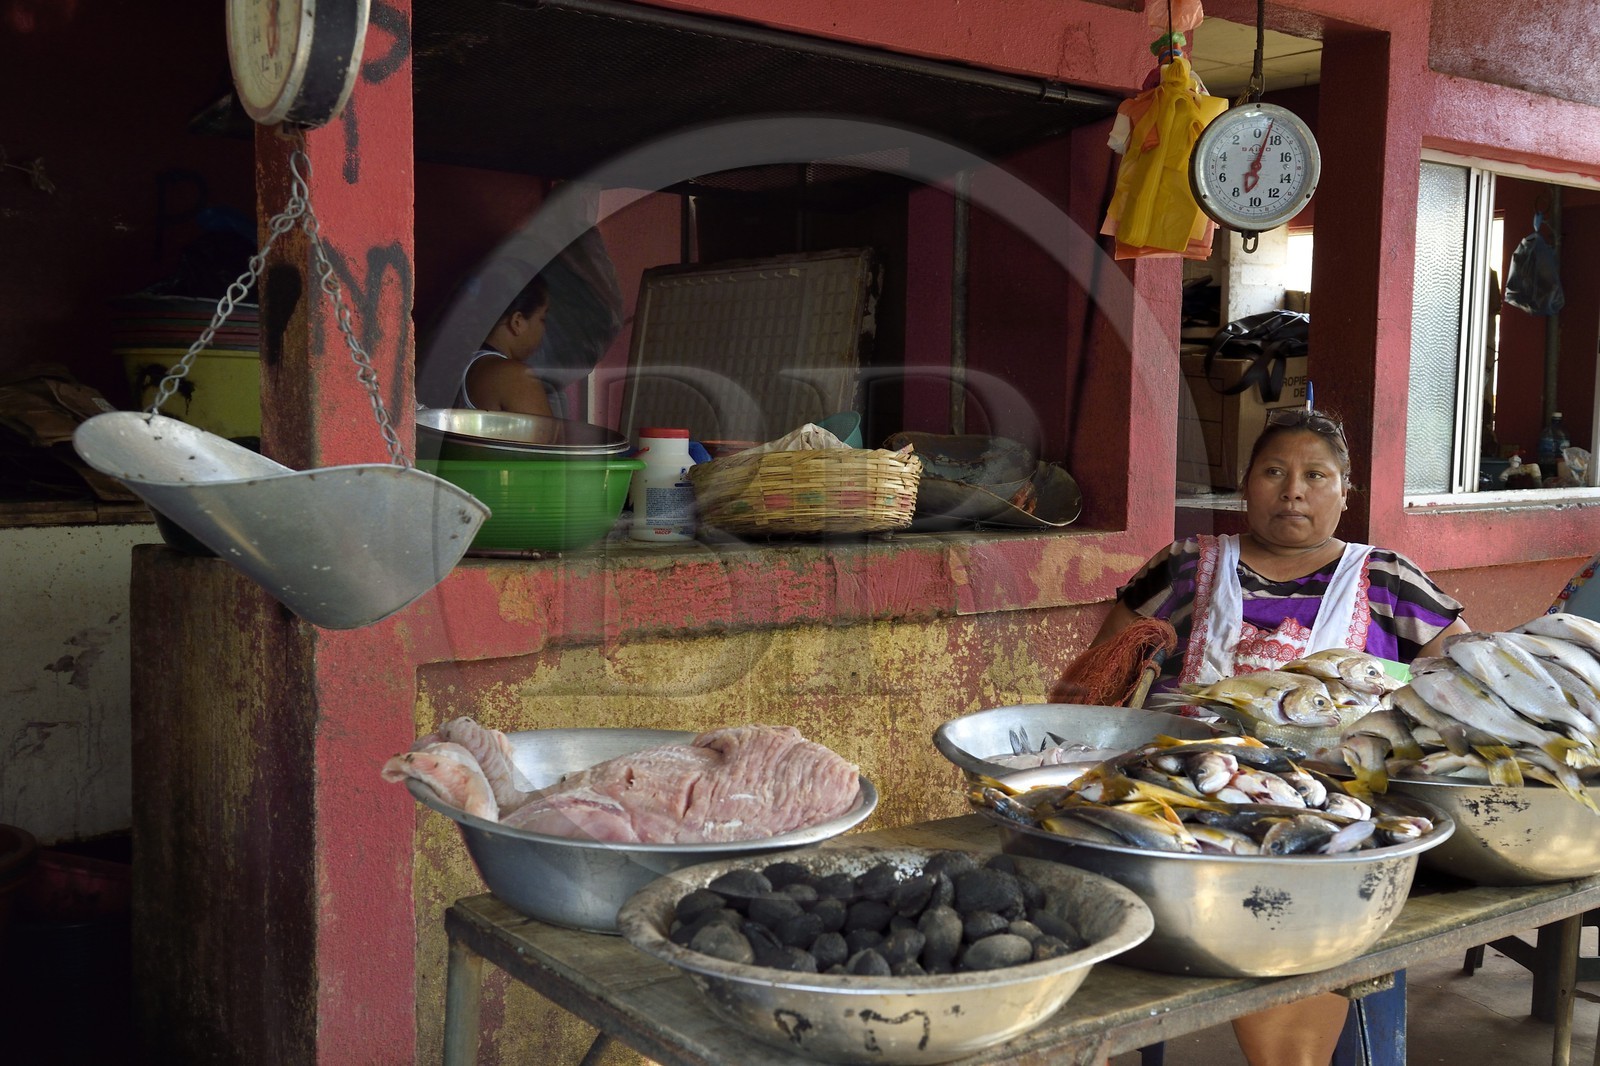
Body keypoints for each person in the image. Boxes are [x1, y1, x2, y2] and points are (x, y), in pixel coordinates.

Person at [1092, 405, 1471, 1066]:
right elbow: (1107, 671)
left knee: (1315, 956)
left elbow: (1461, 679)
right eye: (1274, 471)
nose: (1293, 489)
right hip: (1194, 811)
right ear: (1246, 485)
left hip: (1340, 822)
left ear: (1345, 493)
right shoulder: (1187, 566)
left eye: (1315, 475)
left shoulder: (1386, 577)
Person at [455, 274, 556, 417]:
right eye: (542, 319)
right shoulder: (514, 377)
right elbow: (547, 438)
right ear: (517, 322)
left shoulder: (466, 361)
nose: (544, 329)